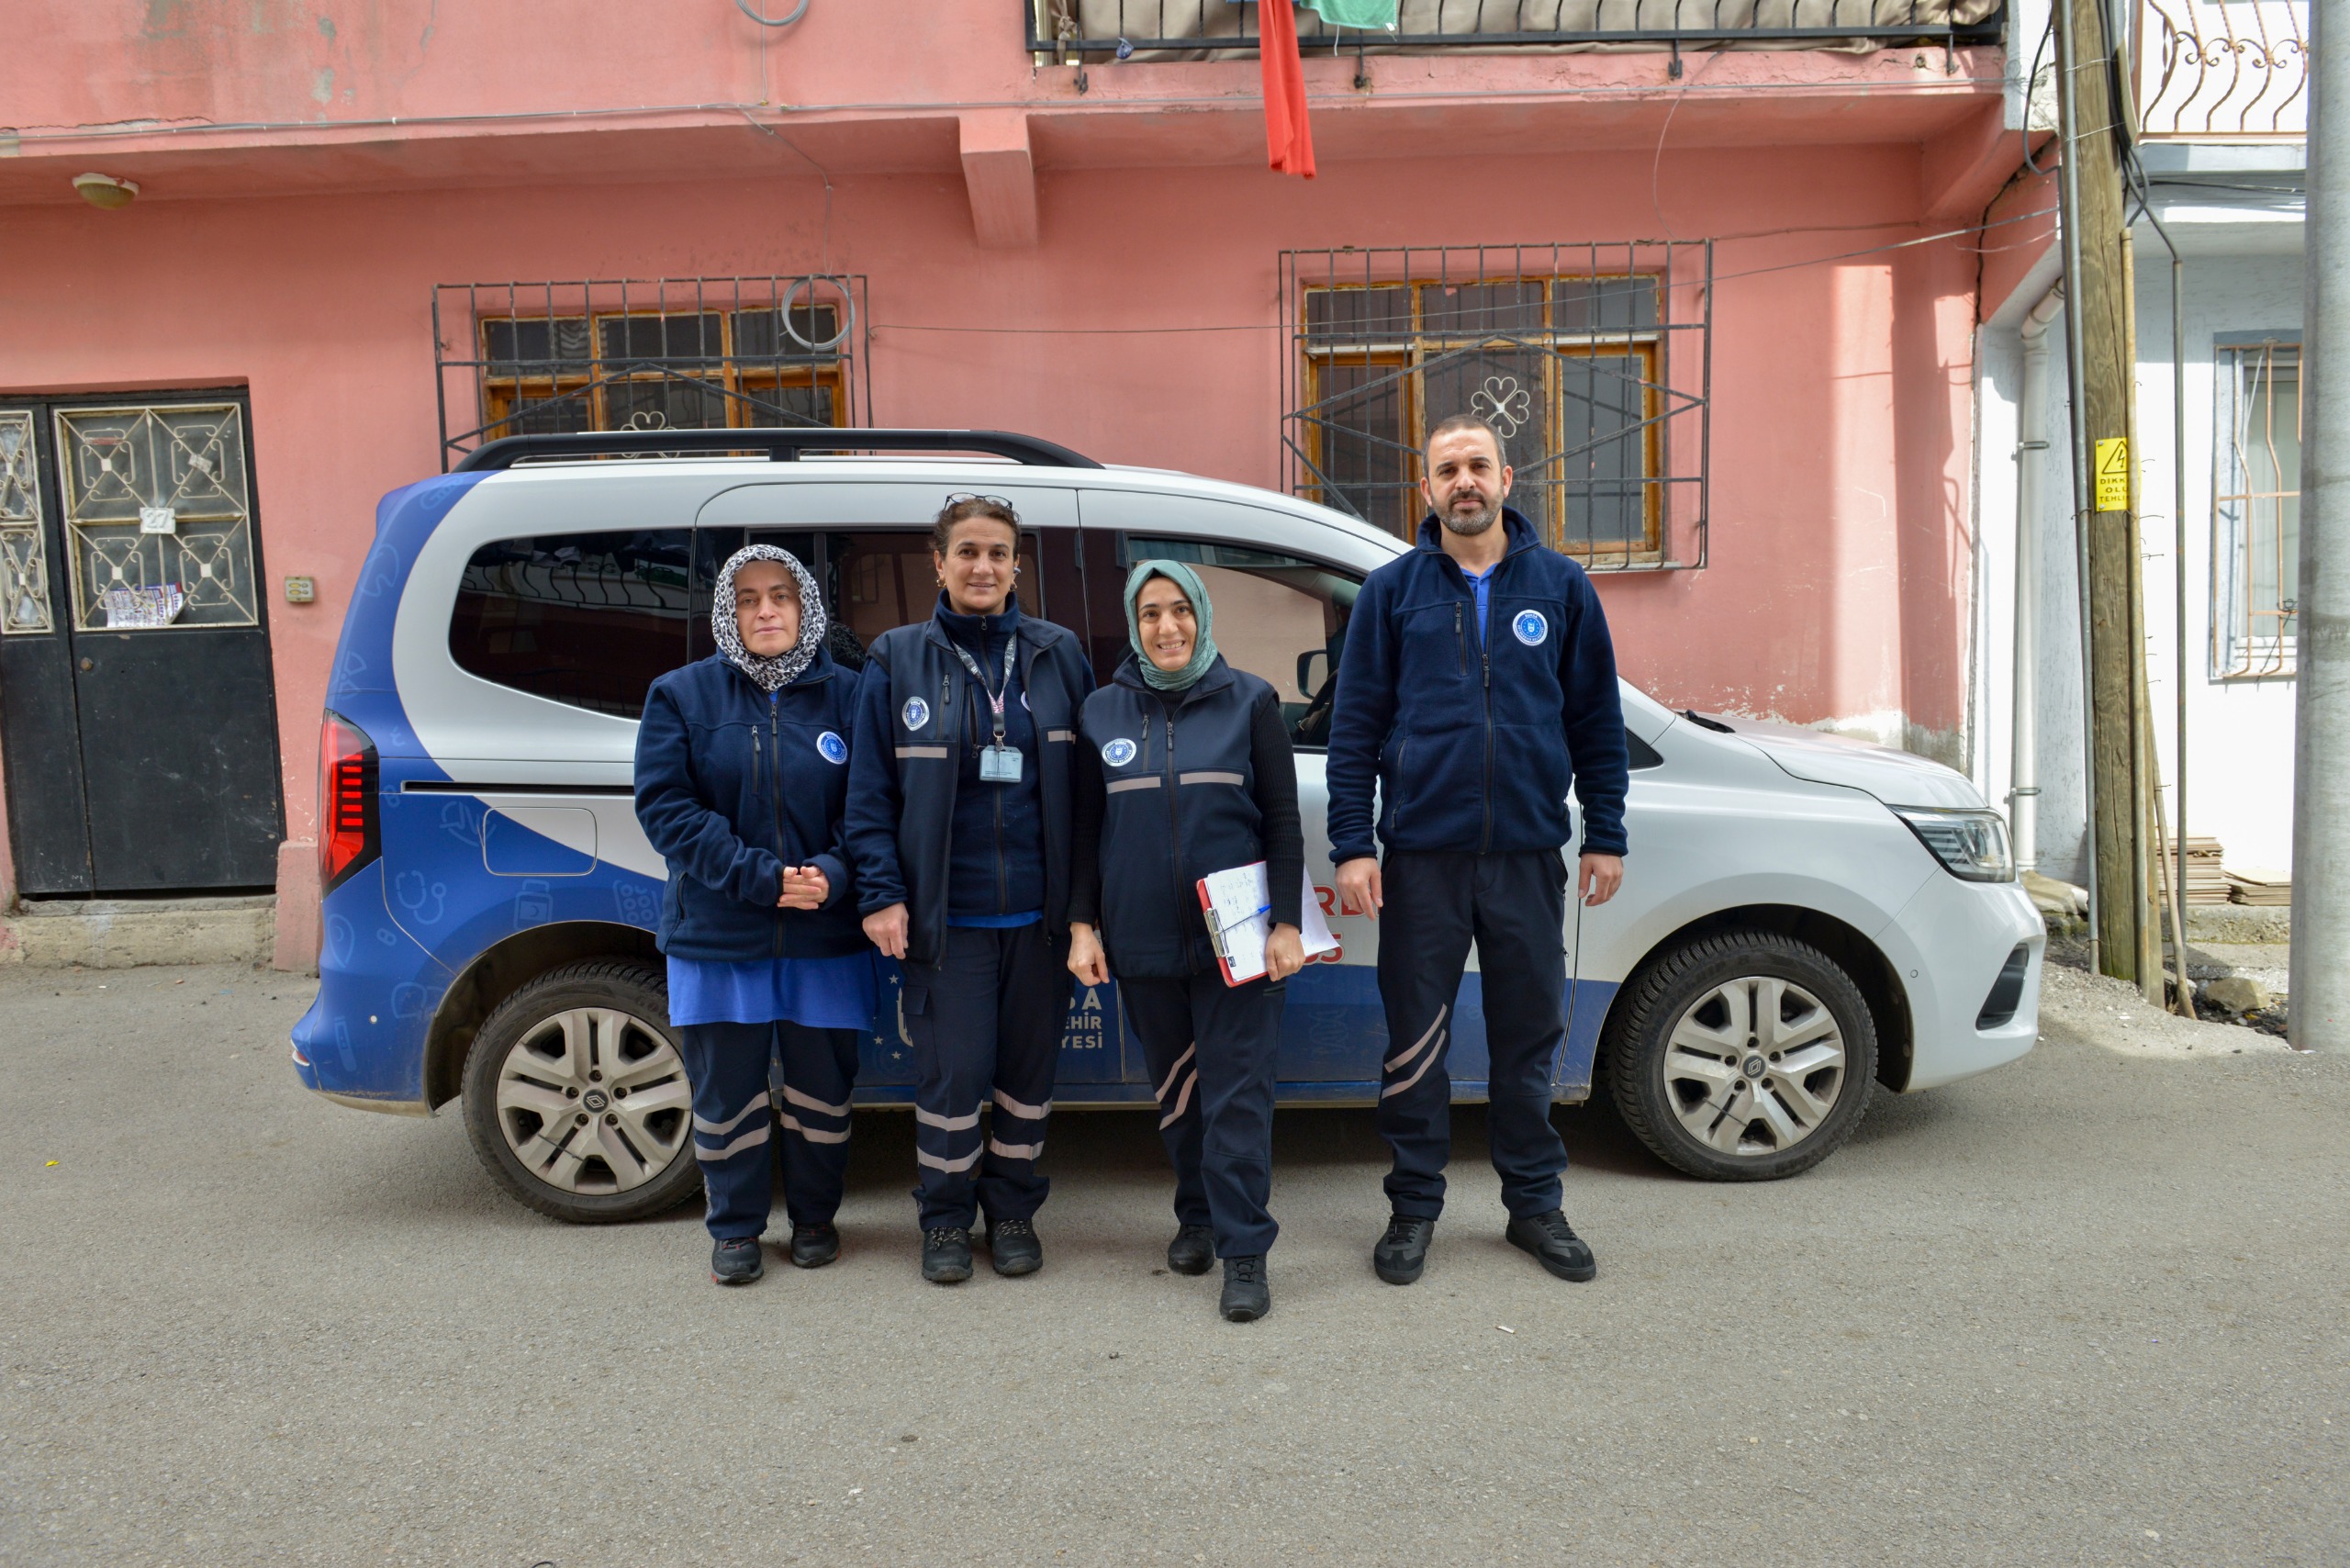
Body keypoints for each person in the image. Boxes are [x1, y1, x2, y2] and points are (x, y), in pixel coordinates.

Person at [1325, 413, 1630, 1287]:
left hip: (1529, 855)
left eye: (1478, 466)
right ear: (1426, 489)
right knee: (1416, 1041)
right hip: (1422, 858)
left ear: (1507, 479)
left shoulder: (1562, 588)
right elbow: (1355, 730)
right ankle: (1413, 1210)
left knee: (1526, 1037)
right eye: (1447, 469)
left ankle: (1534, 1207)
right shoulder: (1393, 592)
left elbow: (1596, 723)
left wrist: (1604, 831)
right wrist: (1354, 843)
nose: (1465, 482)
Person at [843, 495, 1094, 1285]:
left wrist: (1083, 913)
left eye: (998, 553)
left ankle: (1012, 1209)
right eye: (967, 553)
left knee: (1027, 1081)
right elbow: (868, 795)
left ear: (1017, 564)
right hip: (943, 922)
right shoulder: (895, 658)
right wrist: (882, 894)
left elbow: (1089, 799)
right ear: (939, 563)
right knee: (950, 1081)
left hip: (1041, 923)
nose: (983, 567)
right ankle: (945, 1219)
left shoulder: (1059, 653)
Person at [1068, 561, 1305, 1324]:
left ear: (1202, 615)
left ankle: (1245, 1253)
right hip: (1140, 939)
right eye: (1150, 615)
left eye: (1180, 611)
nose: (1167, 628)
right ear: (1134, 628)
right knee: (1176, 1092)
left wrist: (1288, 923)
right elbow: (1084, 830)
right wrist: (1082, 925)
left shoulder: (1251, 701)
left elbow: (1281, 821)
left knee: (1238, 1098)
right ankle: (1196, 1215)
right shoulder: (1101, 712)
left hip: (1237, 943)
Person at [633, 543, 873, 1286]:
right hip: (719, 932)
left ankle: (813, 1221)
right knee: (727, 1093)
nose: (765, 610)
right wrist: (759, 878)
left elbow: (876, 806)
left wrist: (832, 874)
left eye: (780, 596)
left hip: (825, 933)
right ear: (725, 612)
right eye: (746, 599)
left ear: (806, 605)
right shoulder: (681, 695)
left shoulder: (854, 696)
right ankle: (735, 1230)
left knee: (820, 1095)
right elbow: (666, 808)